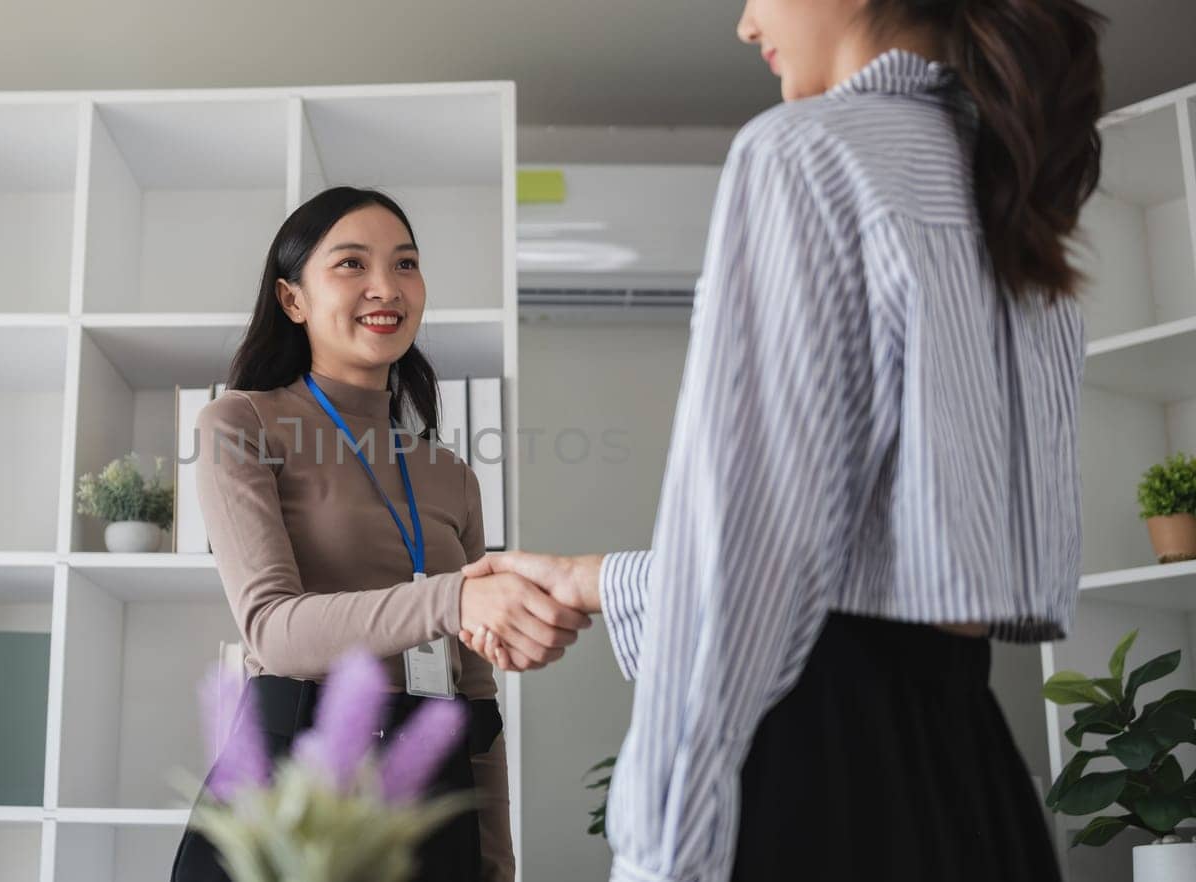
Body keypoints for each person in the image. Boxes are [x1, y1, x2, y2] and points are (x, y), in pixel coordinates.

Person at [462, 1, 1105, 880]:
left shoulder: (805, 150)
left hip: (819, 780)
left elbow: (753, 562)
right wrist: (589, 580)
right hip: (968, 772)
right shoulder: (1009, 175)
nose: (744, 23)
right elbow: (876, 569)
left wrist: (662, 853)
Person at [169, 186, 591, 882]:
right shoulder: (240, 424)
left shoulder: (450, 472)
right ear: (292, 299)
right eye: (351, 264)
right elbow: (272, 629)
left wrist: (495, 858)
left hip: (433, 790)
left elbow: (475, 690)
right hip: (291, 793)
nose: (384, 287)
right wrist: (453, 600)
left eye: (405, 263)